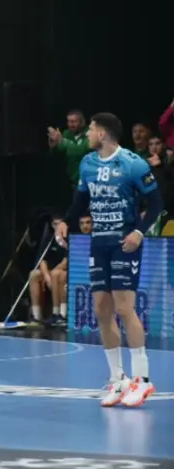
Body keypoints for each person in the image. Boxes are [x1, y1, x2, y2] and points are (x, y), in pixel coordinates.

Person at [55, 112, 163, 408]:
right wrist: (65, 221)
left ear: (102, 133)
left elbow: (156, 203)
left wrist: (139, 232)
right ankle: (118, 379)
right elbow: (81, 201)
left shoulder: (133, 163)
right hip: (98, 242)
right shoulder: (87, 163)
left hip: (124, 243)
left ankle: (143, 379)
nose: (88, 134)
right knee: (102, 309)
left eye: (91, 129)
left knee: (125, 308)